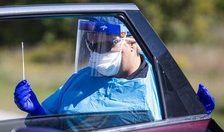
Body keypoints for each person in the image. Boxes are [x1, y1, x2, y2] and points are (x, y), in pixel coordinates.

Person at [14, 17, 162, 121]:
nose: (97, 53)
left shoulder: (158, 85)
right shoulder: (81, 79)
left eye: (104, 45)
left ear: (132, 43)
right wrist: (37, 112)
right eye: (92, 46)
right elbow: (56, 130)